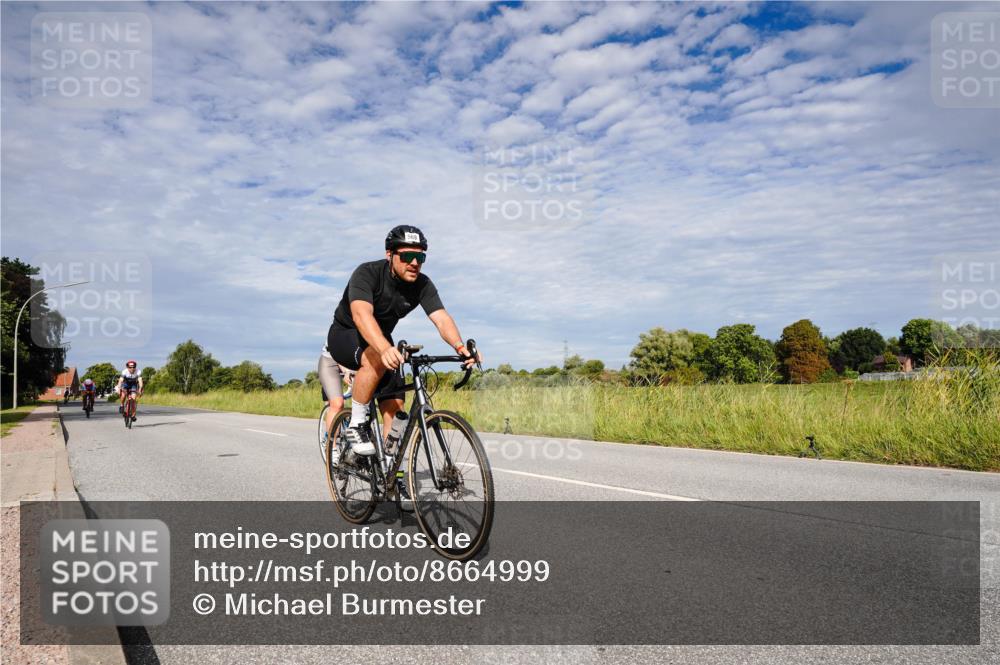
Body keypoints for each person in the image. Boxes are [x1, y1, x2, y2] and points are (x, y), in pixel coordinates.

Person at [326, 225, 480, 479]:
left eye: (420, 257)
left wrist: (460, 347)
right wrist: (384, 347)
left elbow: (441, 318)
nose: (414, 263)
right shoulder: (367, 273)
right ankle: (357, 424)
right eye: (407, 256)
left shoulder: (422, 284)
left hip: (381, 339)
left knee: (396, 408)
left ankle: (391, 474)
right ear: (390, 255)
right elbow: (361, 314)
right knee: (376, 356)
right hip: (346, 334)